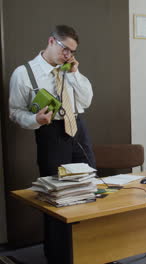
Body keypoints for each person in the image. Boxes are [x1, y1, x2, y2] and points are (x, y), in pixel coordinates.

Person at [9, 25, 96, 176]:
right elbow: (15, 112)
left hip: (78, 129)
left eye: (72, 51)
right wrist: (34, 119)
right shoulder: (23, 74)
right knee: (57, 188)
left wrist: (74, 74)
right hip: (50, 132)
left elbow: (86, 101)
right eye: (65, 49)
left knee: (88, 181)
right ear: (51, 41)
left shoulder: (70, 69)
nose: (68, 55)